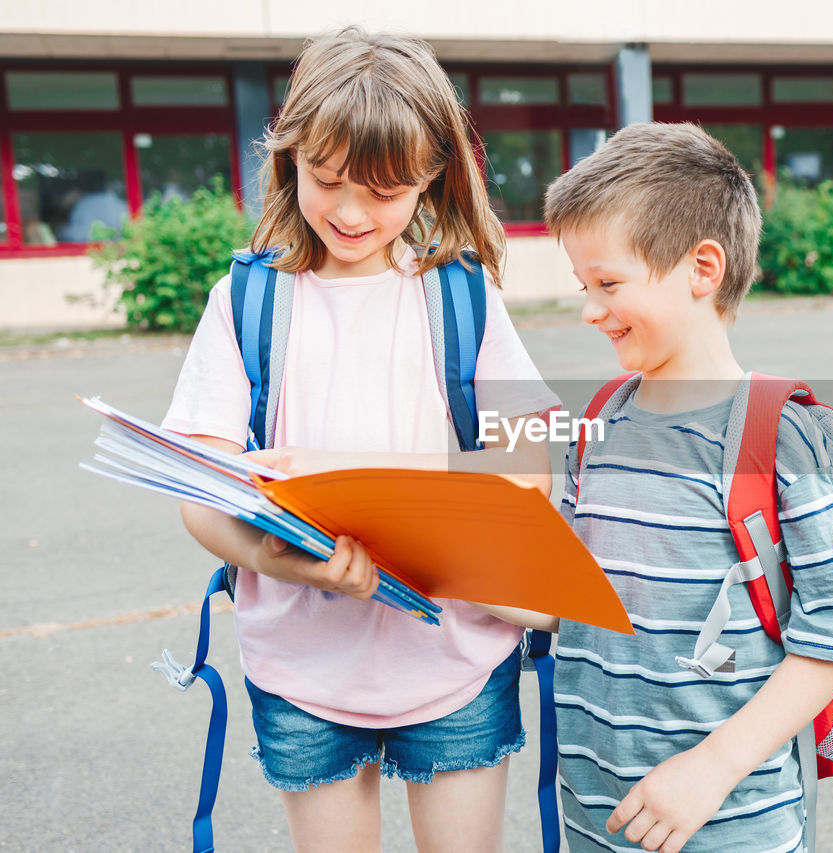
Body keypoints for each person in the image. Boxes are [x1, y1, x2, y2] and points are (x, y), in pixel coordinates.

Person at [163, 27, 559, 852]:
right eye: (327, 179)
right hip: (301, 668)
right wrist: (285, 561)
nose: (349, 212)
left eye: (383, 190)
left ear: (432, 178)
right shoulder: (245, 302)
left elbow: (531, 462)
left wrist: (364, 478)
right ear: (290, 157)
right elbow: (200, 491)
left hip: (456, 659)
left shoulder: (463, 296)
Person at [478, 123, 833, 852]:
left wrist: (711, 768)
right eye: (585, 287)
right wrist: (444, 560)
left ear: (703, 268)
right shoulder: (601, 420)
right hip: (598, 811)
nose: (589, 309)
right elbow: (579, 595)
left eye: (609, 284)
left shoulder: (781, 437)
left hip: (730, 821)